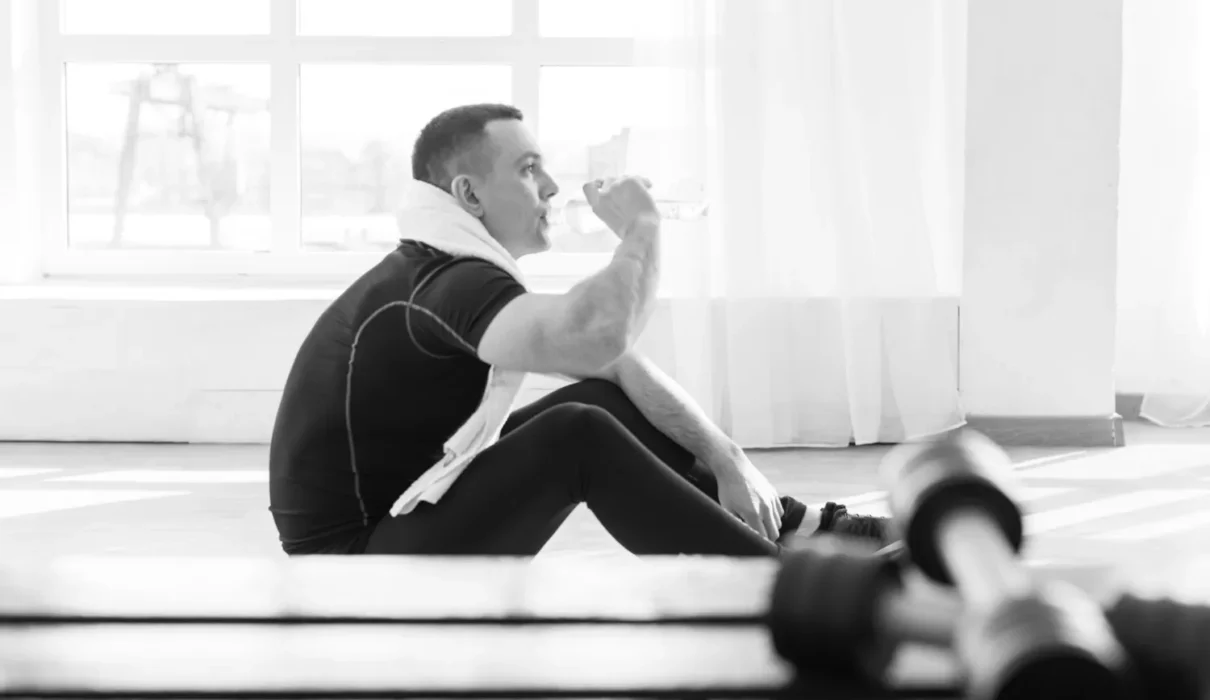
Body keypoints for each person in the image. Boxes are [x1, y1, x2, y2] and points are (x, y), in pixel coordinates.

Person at [267, 103, 894, 557]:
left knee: (597, 400)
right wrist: (643, 231)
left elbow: (611, 363)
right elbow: (599, 335)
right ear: (469, 194)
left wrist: (728, 459)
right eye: (528, 168)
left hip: (404, 513)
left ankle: (793, 526)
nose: (551, 187)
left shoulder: (446, 269)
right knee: (577, 433)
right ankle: (788, 587)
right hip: (352, 564)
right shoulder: (444, 287)